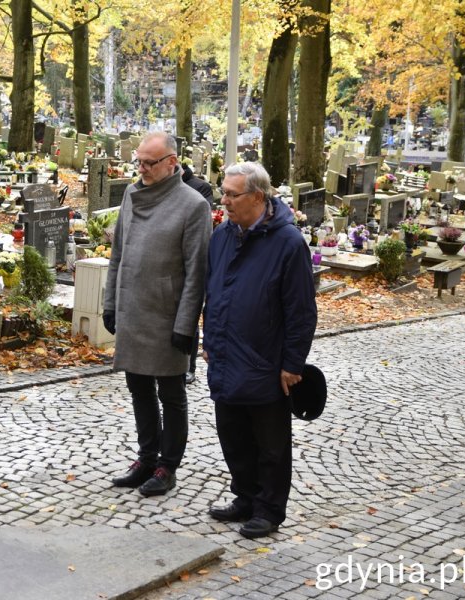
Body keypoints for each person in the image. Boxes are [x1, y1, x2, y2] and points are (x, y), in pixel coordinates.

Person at [202, 162, 317, 538]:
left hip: (266, 361)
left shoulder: (288, 243)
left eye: (232, 195)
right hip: (226, 354)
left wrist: (293, 363)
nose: (225, 201)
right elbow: (214, 292)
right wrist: (209, 339)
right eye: (223, 193)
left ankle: (269, 509)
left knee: (270, 444)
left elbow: (301, 310)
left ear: (257, 196)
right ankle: (245, 497)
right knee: (232, 435)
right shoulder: (222, 236)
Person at [103, 132, 211, 497]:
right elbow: (117, 254)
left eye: (150, 163)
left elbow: (197, 271)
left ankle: (168, 465)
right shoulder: (132, 196)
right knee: (138, 388)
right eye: (139, 162)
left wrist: (186, 326)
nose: (142, 169)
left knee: (171, 392)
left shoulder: (193, 205)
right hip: (133, 309)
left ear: (172, 162)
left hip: (167, 315)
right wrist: (110, 303)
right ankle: (147, 456)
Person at [180, 163, 213, 385]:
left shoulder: (200, 188)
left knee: (190, 317)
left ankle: (189, 367)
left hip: (191, 258)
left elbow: (202, 217)